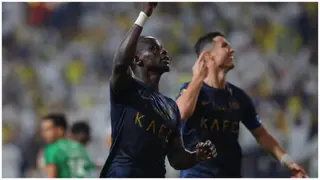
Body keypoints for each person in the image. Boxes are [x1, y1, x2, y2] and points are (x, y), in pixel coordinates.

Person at [99, 3, 217, 178]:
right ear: (137, 59)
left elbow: (176, 158)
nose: (163, 52)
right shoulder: (126, 87)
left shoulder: (170, 107)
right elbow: (120, 63)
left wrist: (197, 156)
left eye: (162, 48)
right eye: (154, 49)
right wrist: (144, 14)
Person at [176, 32, 308, 178]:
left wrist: (289, 163)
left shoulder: (238, 96)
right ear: (208, 56)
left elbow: (262, 135)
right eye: (225, 46)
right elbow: (179, 114)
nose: (232, 50)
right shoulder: (190, 90)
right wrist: (197, 78)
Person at [41, 113, 95, 178]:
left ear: (60, 129)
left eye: (48, 129)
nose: (44, 134)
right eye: (43, 130)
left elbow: (52, 177)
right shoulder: (79, 147)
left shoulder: (52, 149)